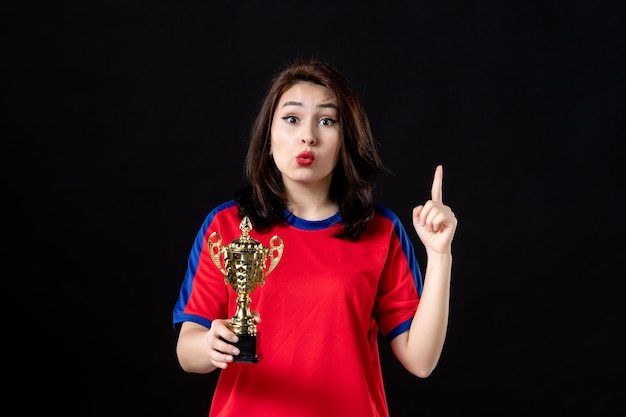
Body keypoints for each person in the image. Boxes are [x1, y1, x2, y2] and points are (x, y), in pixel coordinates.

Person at [172, 57, 458, 417]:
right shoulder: (226, 226)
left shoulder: (381, 230)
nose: (308, 135)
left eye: (327, 120)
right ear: (269, 137)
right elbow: (187, 353)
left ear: (346, 139)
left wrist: (440, 255)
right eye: (292, 119)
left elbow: (421, 360)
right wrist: (211, 345)